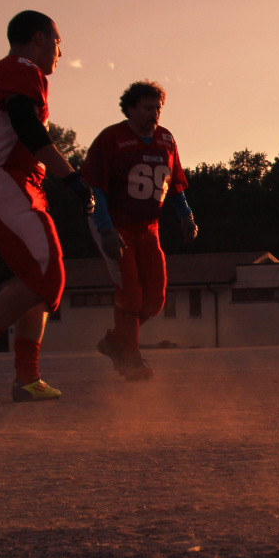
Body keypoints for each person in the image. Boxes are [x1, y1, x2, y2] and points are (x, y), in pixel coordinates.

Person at [0, 10, 93, 402]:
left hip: (11, 182)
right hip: (2, 180)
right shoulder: (23, 68)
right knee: (48, 276)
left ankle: (26, 377)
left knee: (36, 282)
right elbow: (29, 128)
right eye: (58, 42)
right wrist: (72, 177)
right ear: (39, 38)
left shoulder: (4, 72)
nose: (60, 53)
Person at [83, 81, 195, 381]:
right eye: (148, 107)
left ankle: (115, 341)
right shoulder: (111, 138)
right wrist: (106, 229)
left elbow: (174, 186)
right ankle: (130, 358)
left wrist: (186, 216)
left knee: (155, 299)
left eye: (158, 107)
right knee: (130, 294)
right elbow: (95, 189)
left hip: (148, 227)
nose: (155, 113)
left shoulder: (166, 139)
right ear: (130, 108)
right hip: (115, 224)